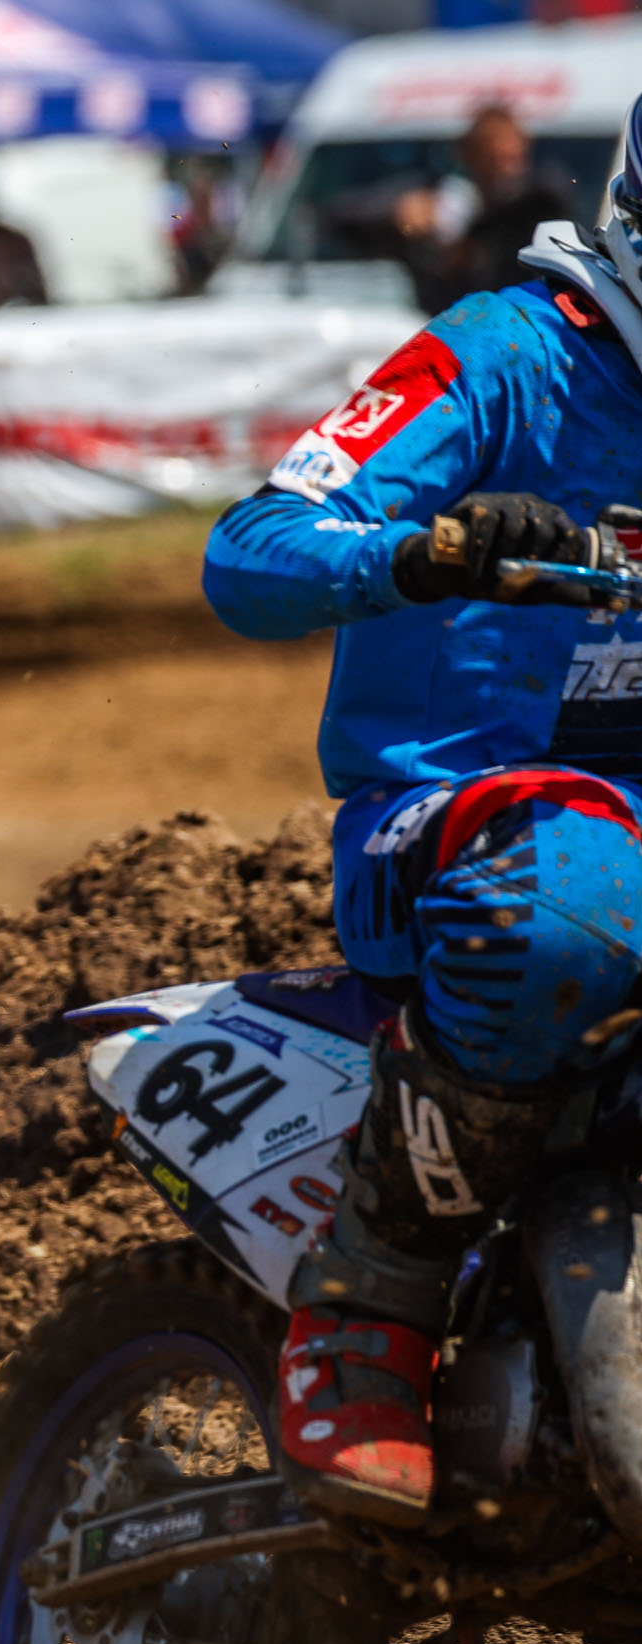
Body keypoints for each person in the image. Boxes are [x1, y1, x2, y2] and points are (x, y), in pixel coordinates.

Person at [202, 87, 642, 1527]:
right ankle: (369, 1297)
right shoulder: (509, 355)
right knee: (580, 889)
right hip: (452, 827)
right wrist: (423, 552)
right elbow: (252, 547)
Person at [392, 103, 572, 316]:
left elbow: (537, 198)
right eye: (493, 157)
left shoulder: (538, 201)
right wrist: (408, 214)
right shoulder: (452, 198)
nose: (506, 169)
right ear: (468, 154)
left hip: (524, 315)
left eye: (512, 157)